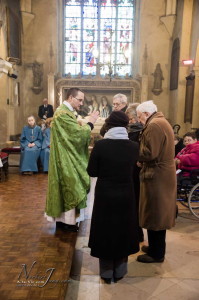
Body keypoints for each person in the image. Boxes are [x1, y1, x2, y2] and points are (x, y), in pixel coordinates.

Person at [87, 111, 140, 284]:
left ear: (109, 125)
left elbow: (92, 171)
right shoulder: (133, 146)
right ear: (126, 126)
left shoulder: (101, 145)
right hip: (126, 194)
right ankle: (120, 270)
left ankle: (107, 271)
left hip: (105, 195)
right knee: (123, 229)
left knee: (106, 230)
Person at [45, 88, 99, 232]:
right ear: (70, 97)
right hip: (65, 159)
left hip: (66, 155)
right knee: (71, 186)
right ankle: (66, 223)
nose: (81, 103)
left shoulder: (66, 112)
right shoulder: (62, 113)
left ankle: (65, 222)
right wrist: (91, 123)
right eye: (79, 100)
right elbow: (77, 136)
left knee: (67, 188)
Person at [136, 100, 176, 263]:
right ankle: (154, 247)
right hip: (161, 174)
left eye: (139, 117)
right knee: (156, 212)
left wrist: (135, 153)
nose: (139, 120)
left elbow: (149, 153)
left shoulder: (153, 125)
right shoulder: (161, 121)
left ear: (146, 114)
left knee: (156, 213)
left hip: (157, 175)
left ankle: (157, 253)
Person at [126, 103, 144, 242]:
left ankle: (137, 233)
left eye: (131, 119)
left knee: (136, 202)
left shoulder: (140, 131)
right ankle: (135, 232)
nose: (130, 122)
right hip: (132, 170)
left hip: (137, 171)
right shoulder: (133, 130)